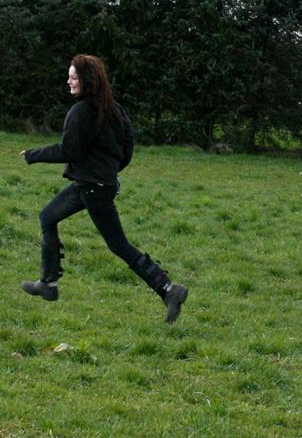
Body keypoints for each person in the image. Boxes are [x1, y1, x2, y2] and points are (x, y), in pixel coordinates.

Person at [19, 54, 188, 322]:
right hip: (91, 184)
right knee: (47, 217)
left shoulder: (81, 112)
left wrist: (33, 155)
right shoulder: (114, 109)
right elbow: (127, 148)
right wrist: (109, 172)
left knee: (119, 245)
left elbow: (69, 150)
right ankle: (48, 284)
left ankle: (169, 289)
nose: (68, 81)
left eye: (73, 77)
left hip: (95, 188)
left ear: (86, 80)